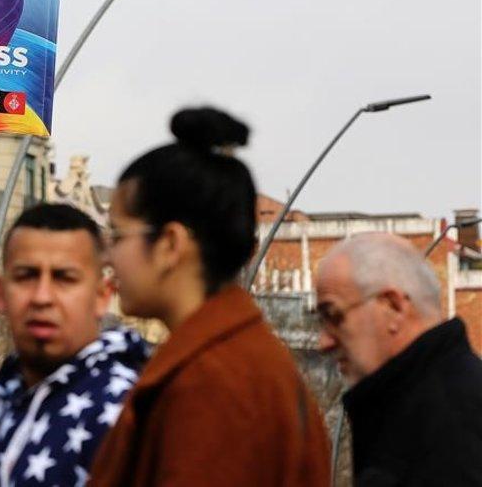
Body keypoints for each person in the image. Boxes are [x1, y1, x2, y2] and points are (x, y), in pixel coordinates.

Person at [89, 107, 330, 486]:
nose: (107, 256)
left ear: (170, 244)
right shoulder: (231, 360)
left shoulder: (211, 386)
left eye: (118, 235)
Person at [0, 203, 149, 487]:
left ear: (103, 296)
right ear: (0, 294)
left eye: (64, 278)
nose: (42, 297)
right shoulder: (10, 401)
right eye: (26, 276)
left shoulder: (129, 412)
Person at [315, 232, 482, 486]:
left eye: (333, 315)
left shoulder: (446, 433)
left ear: (394, 307)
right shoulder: (441, 402)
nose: (323, 342)